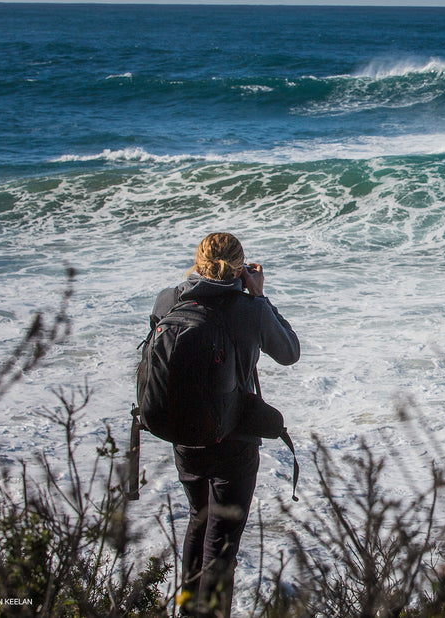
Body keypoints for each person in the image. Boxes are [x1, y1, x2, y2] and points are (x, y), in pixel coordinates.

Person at [149, 232, 300, 617]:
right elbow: (289, 352)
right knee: (222, 544)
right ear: (241, 268)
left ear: (198, 262)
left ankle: (188, 612)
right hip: (234, 441)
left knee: (198, 526)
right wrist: (260, 296)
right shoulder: (249, 309)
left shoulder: (169, 300)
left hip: (185, 437)